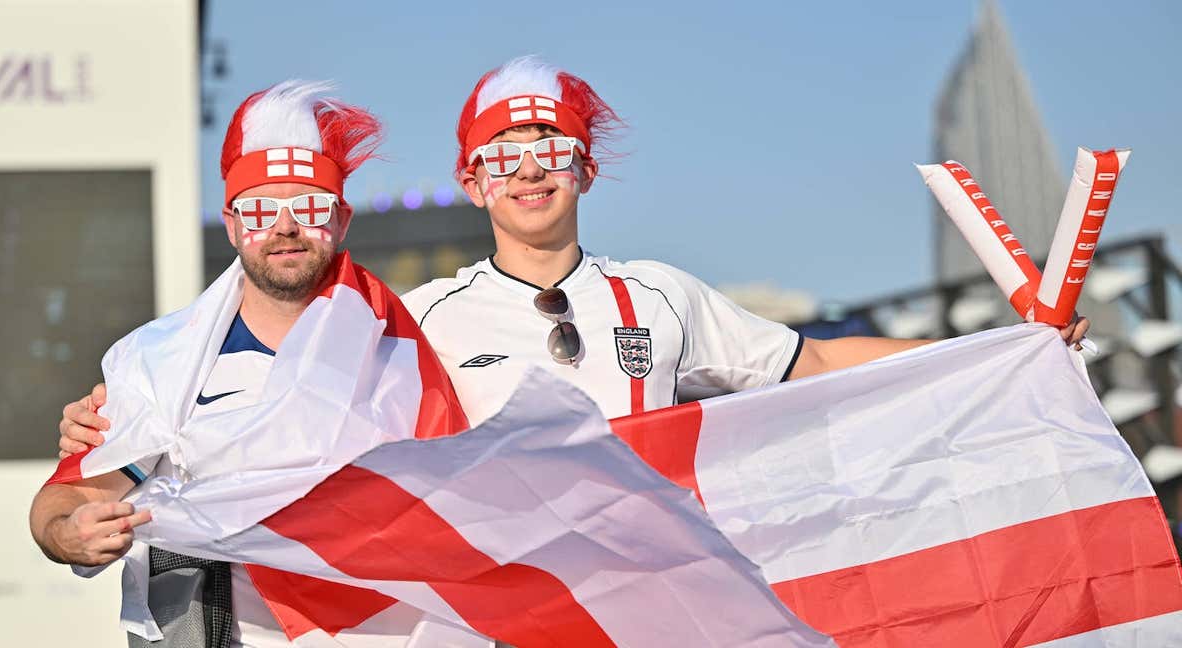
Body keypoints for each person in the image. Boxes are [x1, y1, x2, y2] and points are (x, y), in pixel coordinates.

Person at [57, 55, 1090, 440]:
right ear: (469, 181)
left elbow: (814, 362)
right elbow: (287, 397)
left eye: (551, 144)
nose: (530, 167)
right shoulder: (416, 319)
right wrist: (123, 416)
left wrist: (1002, 352)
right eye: (503, 153)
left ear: (586, 168)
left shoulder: (663, 296)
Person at [30, 81, 451, 647]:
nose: (284, 227)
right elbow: (72, 494)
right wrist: (66, 535)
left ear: (341, 219)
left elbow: (455, 509)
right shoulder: (162, 359)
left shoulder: (402, 355)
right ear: (231, 225)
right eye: (259, 210)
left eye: (308, 207)